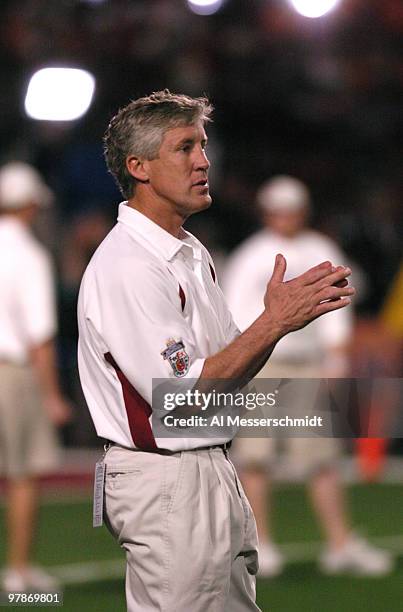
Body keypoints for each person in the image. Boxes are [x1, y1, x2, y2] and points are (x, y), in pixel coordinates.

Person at [77, 91, 355, 612]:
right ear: (138, 167)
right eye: (185, 148)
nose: (204, 161)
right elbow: (182, 399)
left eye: (202, 146)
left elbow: (229, 370)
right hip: (168, 475)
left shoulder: (188, 250)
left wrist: (273, 326)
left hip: (207, 468)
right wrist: (274, 321)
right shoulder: (129, 265)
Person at [223, 175, 393, 577]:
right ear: (267, 212)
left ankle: (339, 543)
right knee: (256, 459)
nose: (286, 217)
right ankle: (260, 545)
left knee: (322, 459)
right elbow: (233, 314)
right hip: (264, 365)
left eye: (292, 209)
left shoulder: (320, 248)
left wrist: (336, 360)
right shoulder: (252, 255)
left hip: (308, 364)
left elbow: (339, 304)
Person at [0, 162, 71, 593]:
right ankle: (19, 572)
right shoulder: (28, 253)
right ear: (31, 205)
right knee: (23, 473)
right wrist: (53, 396)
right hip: (12, 374)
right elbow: (39, 336)